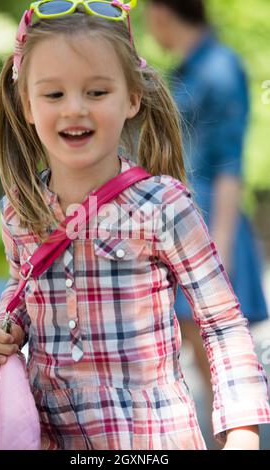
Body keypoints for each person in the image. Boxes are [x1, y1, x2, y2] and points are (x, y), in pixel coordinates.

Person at [0, 0, 270, 451]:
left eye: (96, 92)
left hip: (147, 438)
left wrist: (244, 432)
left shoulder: (164, 206)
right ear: (28, 106)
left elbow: (223, 323)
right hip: (48, 434)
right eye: (54, 94)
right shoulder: (19, 210)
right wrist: (2, 329)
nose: (75, 108)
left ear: (131, 99)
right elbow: (21, 292)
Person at [146, 0, 269, 423]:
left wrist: (220, 251)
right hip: (184, 225)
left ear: (161, 12)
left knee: (228, 364)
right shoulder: (183, 69)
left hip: (214, 227)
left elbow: (229, 165)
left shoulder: (220, 67)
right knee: (202, 363)